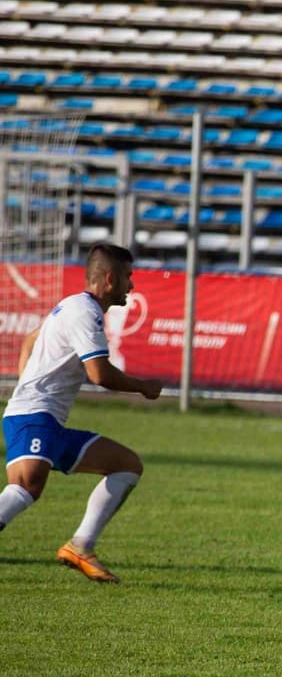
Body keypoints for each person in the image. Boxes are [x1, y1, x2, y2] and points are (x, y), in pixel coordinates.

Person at [0, 243, 163, 582]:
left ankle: (81, 546)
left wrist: (28, 382)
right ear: (109, 278)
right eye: (128, 278)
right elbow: (99, 375)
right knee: (26, 486)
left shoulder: (73, 306)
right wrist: (143, 387)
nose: (132, 287)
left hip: (46, 419)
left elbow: (32, 340)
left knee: (127, 465)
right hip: (34, 416)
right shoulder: (84, 312)